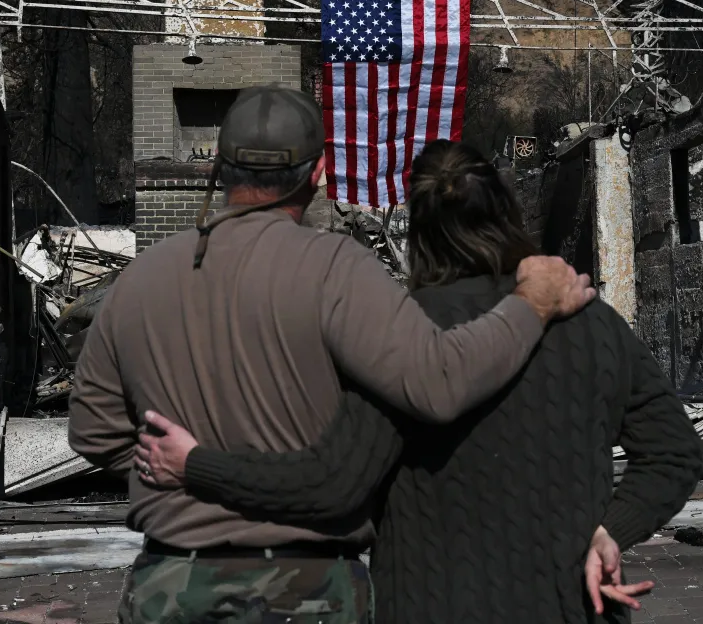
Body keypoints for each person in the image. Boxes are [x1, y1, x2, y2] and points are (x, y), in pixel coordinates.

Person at [69, 87, 596, 624]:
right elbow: (440, 382)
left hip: (170, 587)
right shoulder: (335, 268)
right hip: (308, 589)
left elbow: (93, 433)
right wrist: (531, 304)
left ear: (220, 169)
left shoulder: (138, 281)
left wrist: (179, 470)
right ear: (317, 173)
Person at [136, 139, 703, 624]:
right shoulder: (591, 321)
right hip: (576, 607)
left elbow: (331, 486)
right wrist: (612, 529)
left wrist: (194, 463)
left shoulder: (404, 335)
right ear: (506, 211)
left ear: (420, 229)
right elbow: (675, 454)